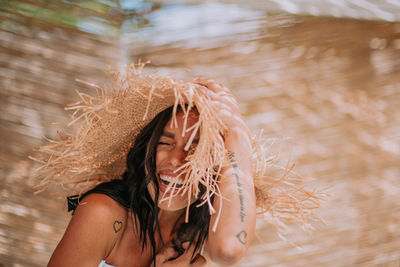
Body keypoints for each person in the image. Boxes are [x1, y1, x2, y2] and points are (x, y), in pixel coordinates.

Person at [32, 63, 323, 267]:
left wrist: (236, 136)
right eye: (165, 142)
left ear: (215, 169)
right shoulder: (102, 214)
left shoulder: (199, 229)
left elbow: (229, 249)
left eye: (196, 148)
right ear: (145, 149)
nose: (176, 159)